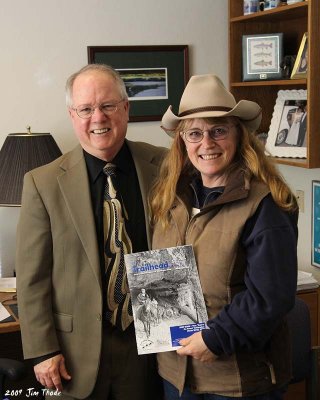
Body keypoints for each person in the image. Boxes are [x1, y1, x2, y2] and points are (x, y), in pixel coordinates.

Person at [16, 64, 166, 400]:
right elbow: (31, 278)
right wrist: (42, 350)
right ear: (72, 115)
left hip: (149, 346)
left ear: (125, 109)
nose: (97, 118)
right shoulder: (42, 183)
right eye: (86, 109)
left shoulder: (164, 166)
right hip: (74, 352)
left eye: (108, 106)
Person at [149, 74, 298, 399]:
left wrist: (216, 339)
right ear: (182, 141)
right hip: (177, 376)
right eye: (195, 133)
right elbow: (162, 277)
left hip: (237, 382)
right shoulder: (170, 198)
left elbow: (270, 297)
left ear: (239, 135)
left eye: (218, 130)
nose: (207, 143)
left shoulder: (265, 203)